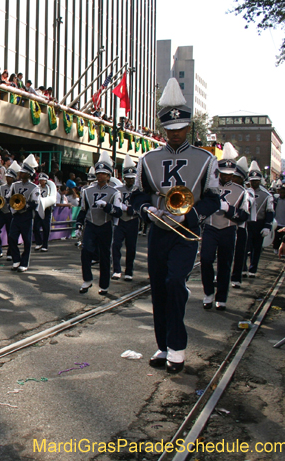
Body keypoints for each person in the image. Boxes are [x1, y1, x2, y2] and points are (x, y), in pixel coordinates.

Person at [130, 78, 220, 374]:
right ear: (163, 129)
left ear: (189, 127)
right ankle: (164, 345)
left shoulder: (206, 159)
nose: (175, 134)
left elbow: (213, 199)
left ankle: (177, 347)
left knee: (174, 283)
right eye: (170, 130)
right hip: (159, 230)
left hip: (186, 233)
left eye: (180, 129)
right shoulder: (148, 158)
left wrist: (189, 216)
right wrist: (147, 210)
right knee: (158, 287)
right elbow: (137, 194)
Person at [200, 144, 250, 312]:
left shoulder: (241, 191)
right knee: (206, 259)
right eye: (223, 173)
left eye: (229, 174)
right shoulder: (209, 188)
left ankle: (221, 297)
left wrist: (229, 209)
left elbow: (244, 215)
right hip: (210, 227)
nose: (226, 177)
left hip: (228, 229)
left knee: (225, 263)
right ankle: (208, 292)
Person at [77, 151, 122, 295]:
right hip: (91, 224)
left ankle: (104, 285)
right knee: (85, 252)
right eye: (98, 173)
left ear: (109, 176)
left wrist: (107, 206)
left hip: (105, 225)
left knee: (104, 256)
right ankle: (87, 279)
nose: (100, 176)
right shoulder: (87, 191)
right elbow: (83, 209)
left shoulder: (114, 192)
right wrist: (79, 224)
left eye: (103, 173)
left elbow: (118, 212)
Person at [7, 155, 41, 272]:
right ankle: (16, 259)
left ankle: (24, 263)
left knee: (27, 241)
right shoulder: (15, 185)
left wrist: (23, 205)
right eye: (21, 172)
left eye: (23, 172)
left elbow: (35, 203)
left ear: (28, 174)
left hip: (27, 216)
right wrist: (13, 206)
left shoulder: (34, 187)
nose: (21, 174)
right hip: (16, 215)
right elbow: (9, 197)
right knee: (12, 238)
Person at [111, 155, 140, 281]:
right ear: (124, 178)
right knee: (116, 245)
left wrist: (135, 210)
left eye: (132, 178)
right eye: (128, 178)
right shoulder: (118, 189)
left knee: (131, 247)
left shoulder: (139, 190)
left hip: (133, 220)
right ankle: (117, 270)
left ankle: (129, 271)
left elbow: (143, 204)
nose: (130, 181)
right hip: (120, 220)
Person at [245, 160, 274, 278]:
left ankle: (253, 269)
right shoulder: (245, 192)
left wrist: (267, 226)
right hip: (246, 223)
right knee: (244, 247)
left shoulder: (267, 195)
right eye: (252, 181)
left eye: (256, 181)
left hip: (259, 223)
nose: (254, 183)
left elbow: (270, 211)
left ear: (260, 181)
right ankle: (243, 268)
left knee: (256, 248)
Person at [229, 156, 254, 288]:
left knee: (239, 253)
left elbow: (246, 209)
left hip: (240, 227)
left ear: (242, 179)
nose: (233, 179)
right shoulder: (227, 188)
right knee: (223, 254)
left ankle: (236, 277)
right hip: (226, 226)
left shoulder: (248, 192)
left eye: (236, 177)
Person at [0, 162, 18, 260]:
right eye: (7, 176)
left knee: (10, 233)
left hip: (11, 213)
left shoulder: (16, 187)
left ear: (13, 178)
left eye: (10, 177)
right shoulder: (1, 187)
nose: (8, 178)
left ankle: (10, 253)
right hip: (2, 212)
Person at [33, 173, 56, 252]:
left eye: (42, 180)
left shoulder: (49, 188)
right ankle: (38, 243)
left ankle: (45, 245)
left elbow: (52, 197)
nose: (41, 181)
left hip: (47, 209)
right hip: (39, 208)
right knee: (36, 227)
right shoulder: (37, 188)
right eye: (40, 180)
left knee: (46, 228)